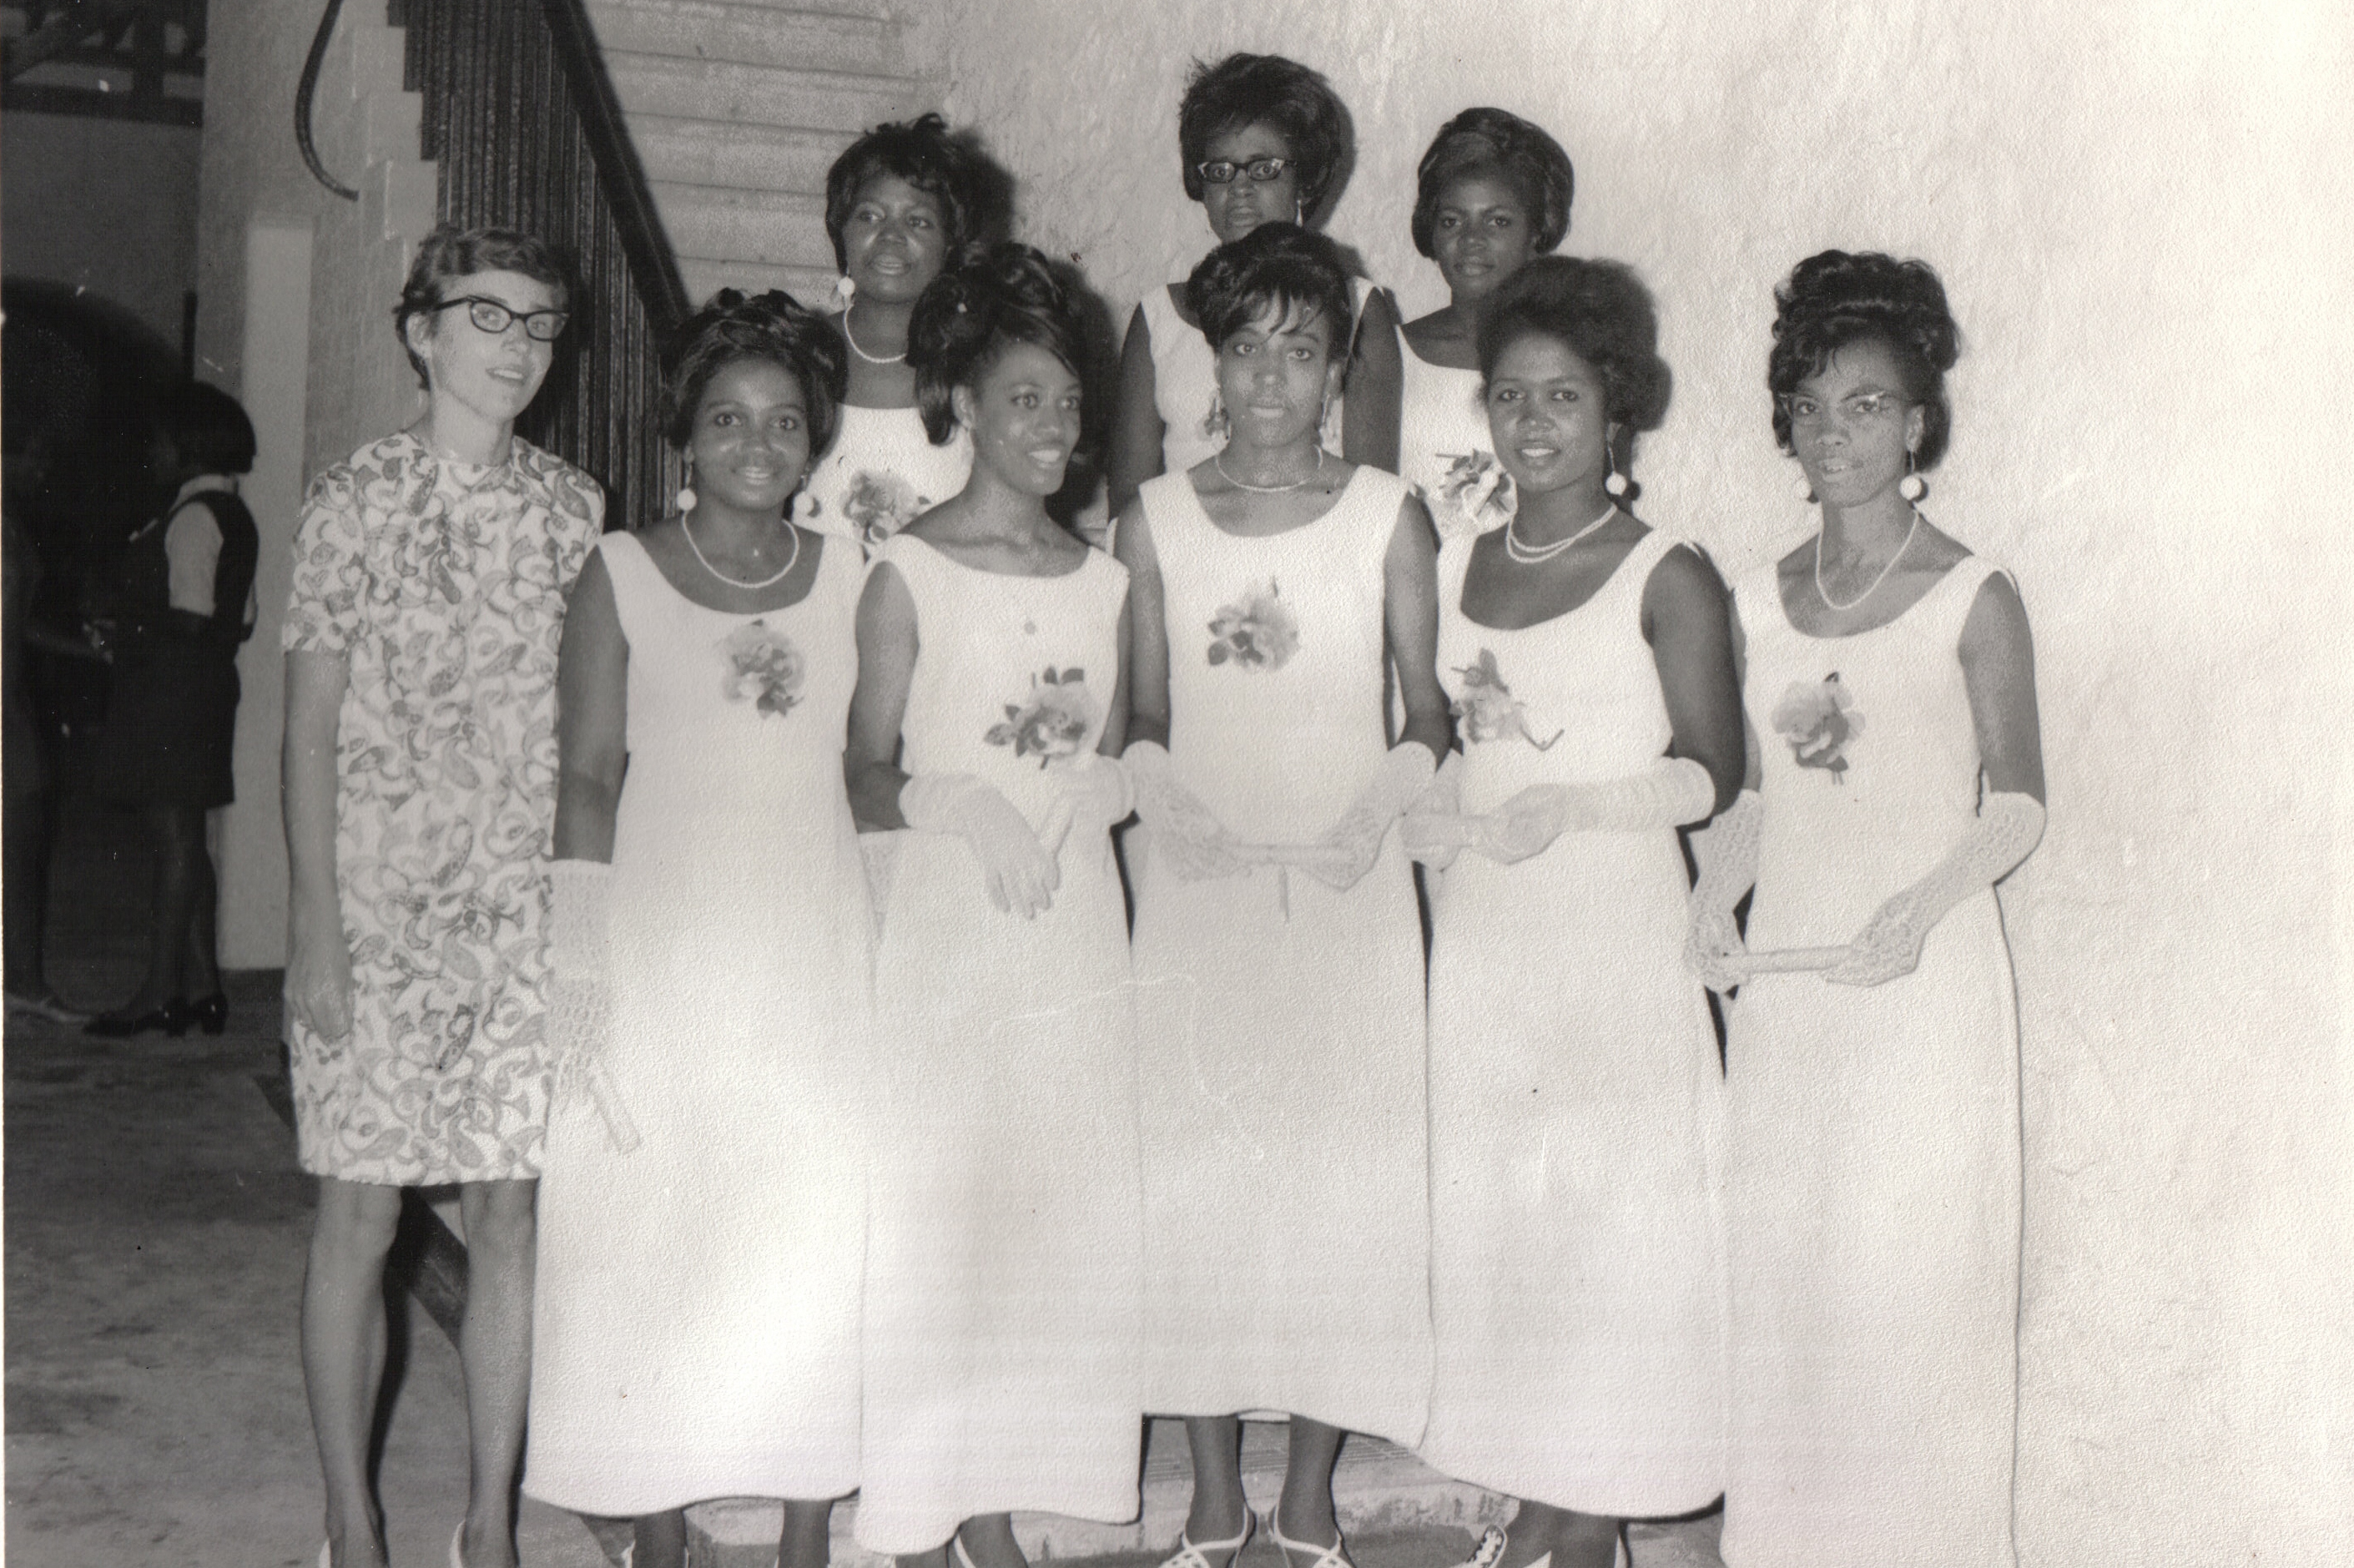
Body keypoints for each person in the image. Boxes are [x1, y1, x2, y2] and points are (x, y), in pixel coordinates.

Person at [1687, 251, 2044, 1567]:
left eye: (1868, 406)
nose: (1836, 434)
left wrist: (1916, 906)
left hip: (1924, 988)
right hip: (1796, 1003)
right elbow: (1756, 799)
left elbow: (2015, 806)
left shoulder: (1971, 594)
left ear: (1919, 424)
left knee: (1910, 1297)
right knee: (1795, 1290)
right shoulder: (1751, 601)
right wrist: (1712, 904)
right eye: (1812, 407)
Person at [1113, 222, 1448, 1568]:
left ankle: (1307, 1490)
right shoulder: (1154, 516)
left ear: (1334, 368)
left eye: (1299, 348)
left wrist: (1371, 818)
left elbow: (1423, 709)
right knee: (1192, 1168)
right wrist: (1169, 801)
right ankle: (1208, 1488)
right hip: (1199, 886)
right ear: (1208, 357)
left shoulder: (1387, 513)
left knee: (1335, 1177)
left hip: (1346, 888)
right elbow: (1139, 709)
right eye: (1244, 344)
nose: (1268, 373)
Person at [1403, 257, 1740, 1568]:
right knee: (1515, 1227)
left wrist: (1575, 808)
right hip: (1490, 939)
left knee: (1610, 1231)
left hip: (1608, 939)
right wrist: (1430, 818)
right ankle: (1547, 1503)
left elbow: (1714, 768)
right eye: (1508, 395)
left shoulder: (1666, 571)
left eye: (1564, 394)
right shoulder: (1462, 559)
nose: (1532, 420)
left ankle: (1583, 1515)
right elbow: (1449, 740)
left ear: (1618, 412)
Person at [523, 290, 866, 1568]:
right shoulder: (617, 570)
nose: (757, 442)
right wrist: (577, 958)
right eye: (728, 417)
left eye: (783, 421)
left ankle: (803, 1522)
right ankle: (658, 1519)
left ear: (815, 439)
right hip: (665, 943)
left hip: (811, 943)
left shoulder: (855, 580)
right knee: (658, 1225)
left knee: (807, 1224)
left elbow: (870, 762)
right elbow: (585, 777)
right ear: (686, 434)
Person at [280, 225, 603, 1568]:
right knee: (361, 1210)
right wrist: (311, 930)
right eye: (490, 317)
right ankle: (352, 1522)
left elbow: (590, 737)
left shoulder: (576, 508)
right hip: (372, 916)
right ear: (421, 330)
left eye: (538, 324)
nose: (519, 346)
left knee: (510, 1208)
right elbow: (305, 732)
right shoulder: (351, 498)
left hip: (515, 920)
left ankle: (489, 1518)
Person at [845, 243, 1142, 1567]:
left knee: (1045, 1214)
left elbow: (1126, 755)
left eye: (1069, 406)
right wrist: (958, 801)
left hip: (1074, 929)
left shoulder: (1107, 578)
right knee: (945, 1209)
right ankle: (930, 1507)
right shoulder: (909, 570)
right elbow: (863, 769)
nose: (1054, 429)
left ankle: (1000, 1498)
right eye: (1025, 400)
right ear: (965, 403)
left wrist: (1106, 784)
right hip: (954, 933)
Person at [1106, 53, 1401, 522]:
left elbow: (1371, 505)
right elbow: (1126, 509)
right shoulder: (1160, 317)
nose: (1239, 188)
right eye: (1220, 171)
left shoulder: (1359, 308)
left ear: (1303, 182)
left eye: (1263, 168)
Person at [81, 381, 261, 1036]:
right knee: (186, 836)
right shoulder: (228, 511)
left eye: (160, 441)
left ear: (187, 447)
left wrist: (122, 623)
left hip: (172, 693)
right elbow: (238, 621)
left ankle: (160, 990)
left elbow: (190, 618)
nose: (152, 453)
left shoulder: (193, 517)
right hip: (199, 688)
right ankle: (204, 988)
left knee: (173, 838)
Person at [795, 113, 994, 547]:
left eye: (918, 221)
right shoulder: (798, 353)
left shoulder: (979, 361)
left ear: (951, 244)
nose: (890, 236)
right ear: (840, 230)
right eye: (869, 216)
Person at [1379, 108, 1575, 540]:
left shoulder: (1574, 357)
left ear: (1537, 231)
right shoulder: (1389, 354)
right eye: (1452, 220)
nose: (1471, 240)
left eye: (1497, 221)